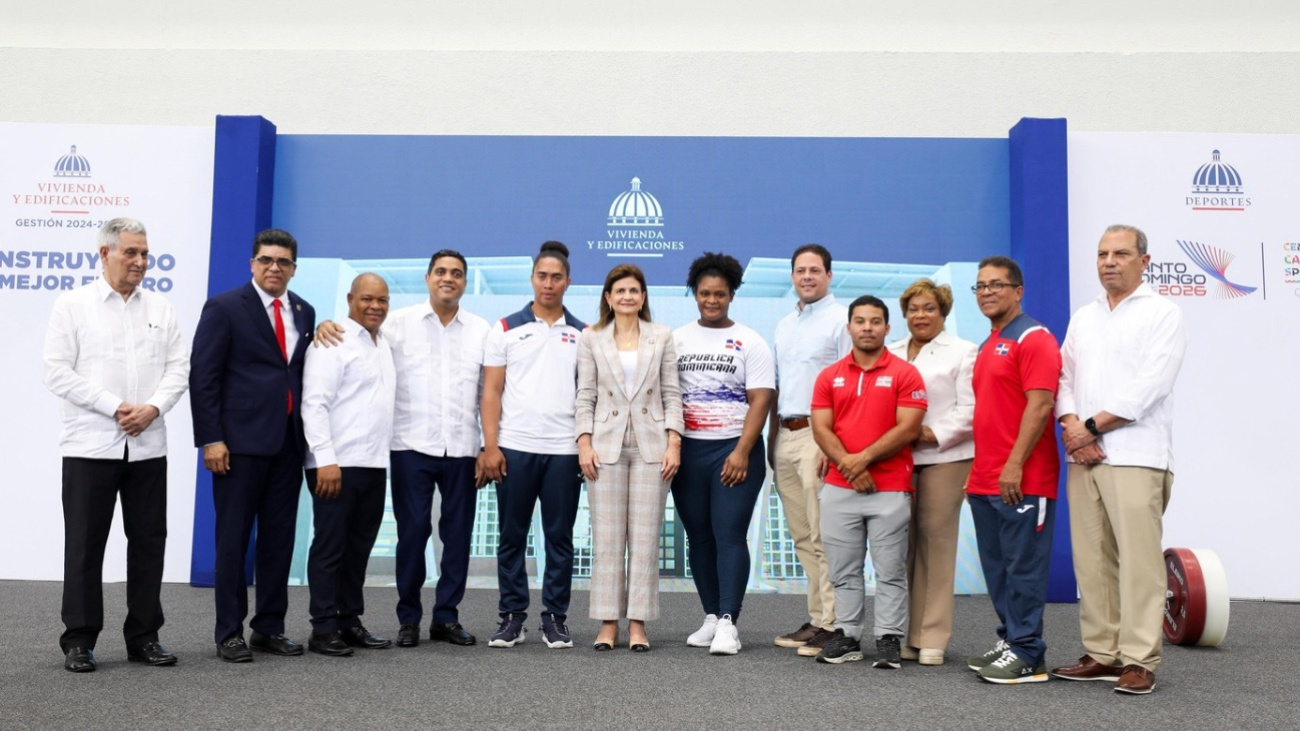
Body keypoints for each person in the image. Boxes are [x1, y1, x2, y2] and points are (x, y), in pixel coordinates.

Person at [316, 250, 489, 648]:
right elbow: (357, 332)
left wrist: (485, 445)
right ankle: (408, 618)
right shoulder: (397, 324)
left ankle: (446, 617)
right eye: (441, 272)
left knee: (458, 536)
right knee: (412, 534)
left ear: (464, 281)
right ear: (428, 278)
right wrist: (321, 326)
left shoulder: (481, 330)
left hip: (463, 448)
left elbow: (487, 393)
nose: (449, 278)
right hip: (410, 446)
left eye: (457, 273)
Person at [42, 218, 190, 673]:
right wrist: (115, 406)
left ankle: (144, 636)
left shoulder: (161, 307)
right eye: (131, 253)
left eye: (145, 253)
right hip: (90, 446)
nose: (141, 262)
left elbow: (178, 369)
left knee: (148, 543)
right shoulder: (73, 305)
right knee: (85, 544)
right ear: (104, 254)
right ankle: (80, 640)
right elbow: (56, 371)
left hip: (148, 444)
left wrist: (152, 409)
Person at [1051, 225, 1188, 695]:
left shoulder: (1163, 313)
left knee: (1139, 564)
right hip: (1083, 456)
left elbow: (1151, 385)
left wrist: (1088, 429)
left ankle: (1139, 659)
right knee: (1092, 561)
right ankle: (1102, 653)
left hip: (1136, 454)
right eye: (1103, 254)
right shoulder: (1084, 316)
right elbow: (1063, 377)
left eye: (1121, 254)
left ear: (1144, 261)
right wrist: (1073, 427)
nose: (1109, 261)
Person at [190, 228, 316, 663]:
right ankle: (229, 633)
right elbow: (203, 377)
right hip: (237, 446)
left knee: (279, 541)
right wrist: (211, 438)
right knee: (232, 540)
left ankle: (269, 627)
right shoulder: (224, 307)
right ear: (252, 264)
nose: (274, 268)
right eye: (266, 260)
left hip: (287, 444)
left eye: (283, 262)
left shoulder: (304, 310)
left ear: (293, 269)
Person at [480, 241, 587, 649]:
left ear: (568, 282)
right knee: (511, 536)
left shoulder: (584, 334)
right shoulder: (505, 328)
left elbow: (588, 394)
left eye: (556, 277)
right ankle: (511, 617)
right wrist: (491, 446)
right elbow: (491, 392)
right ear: (532, 280)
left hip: (564, 451)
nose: (548, 283)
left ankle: (555, 619)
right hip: (514, 448)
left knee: (559, 538)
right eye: (542, 276)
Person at [809, 295, 927, 668]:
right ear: (849, 328)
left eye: (875, 321)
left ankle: (888, 637)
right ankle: (847, 634)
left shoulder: (906, 373)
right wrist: (849, 466)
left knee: (890, 569)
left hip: (890, 488)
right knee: (843, 568)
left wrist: (862, 460)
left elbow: (908, 427)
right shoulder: (829, 376)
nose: (867, 328)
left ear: (887, 328)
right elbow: (821, 427)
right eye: (860, 321)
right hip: (840, 489)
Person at [575, 264, 684, 652]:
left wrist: (675, 442)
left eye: (634, 291)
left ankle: (637, 623)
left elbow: (672, 393)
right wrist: (583, 443)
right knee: (606, 539)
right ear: (608, 297)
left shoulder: (662, 336)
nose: (627, 297)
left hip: (653, 446)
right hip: (605, 446)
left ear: (643, 297)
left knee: (644, 539)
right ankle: (608, 624)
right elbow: (585, 394)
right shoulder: (591, 338)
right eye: (619, 290)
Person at [964, 255, 1062, 685]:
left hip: (1023, 478)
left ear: (1018, 291)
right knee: (999, 569)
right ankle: (1012, 640)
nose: (987, 292)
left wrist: (1014, 465)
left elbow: (1040, 405)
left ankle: (1029, 653)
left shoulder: (1035, 338)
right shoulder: (988, 343)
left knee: (1023, 569)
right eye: (981, 286)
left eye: (997, 285)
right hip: (985, 478)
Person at [670, 253, 774, 655]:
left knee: (729, 533)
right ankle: (711, 616)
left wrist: (742, 451)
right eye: (704, 294)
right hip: (689, 452)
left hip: (734, 449)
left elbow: (761, 399)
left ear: (732, 295)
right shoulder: (676, 339)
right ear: (695, 295)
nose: (711, 300)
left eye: (720, 294)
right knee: (698, 537)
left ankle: (730, 622)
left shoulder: (750, 340)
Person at [301, 273, 396, 656]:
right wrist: (325, 459)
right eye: (367, 299)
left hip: (374, 463)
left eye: (383, 300)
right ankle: (323, 627)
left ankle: (348, 620)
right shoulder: (332, 341)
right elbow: (315, 403)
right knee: (330, 546)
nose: (375, 306)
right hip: (335, 464)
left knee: (359, 548)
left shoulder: (384, 343)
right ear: (350, 298)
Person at [886, 280, 976, 666]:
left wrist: (928, 433)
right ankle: (906, 634)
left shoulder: (963, 351)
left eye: (929, 309)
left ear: (943, 313)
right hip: (895, 460)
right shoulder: (888, 353)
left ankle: (933, 637)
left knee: (935, 546)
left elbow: (970, 409)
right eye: (913, 309)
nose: (920, 316)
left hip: (944, 457)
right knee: (900, 549)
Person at [768, 243, 851, 657]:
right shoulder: (785, 324)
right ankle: (818, 618)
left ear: (829, 275)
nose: (806, 277)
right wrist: (772, 442)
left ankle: (834, 624)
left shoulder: (841, 321)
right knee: (801, 534)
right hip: (786, 434)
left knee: (823, 535)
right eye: (800, 270)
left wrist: (832, 443)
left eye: (815, 270)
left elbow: (849, 385)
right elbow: (780, 387)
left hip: (821, 438)